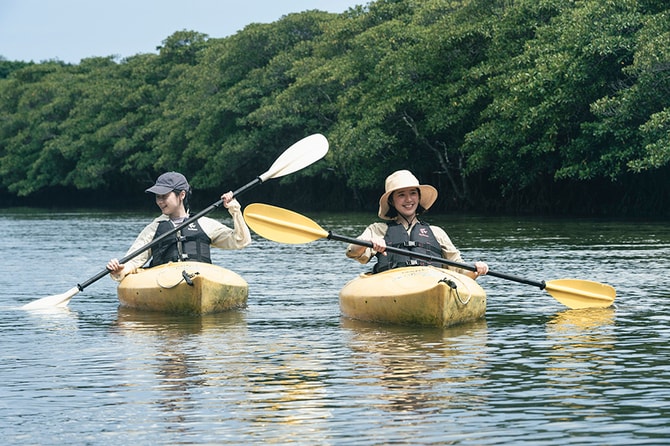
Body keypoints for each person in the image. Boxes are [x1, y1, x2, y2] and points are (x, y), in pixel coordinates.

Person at [107, 172, 251, 281]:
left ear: (181, 195)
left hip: (200, 277)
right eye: (157, 196)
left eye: (164, 196)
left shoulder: (205, 223)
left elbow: (241, 241)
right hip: (162, 281)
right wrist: (119, 269)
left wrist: (235, 210)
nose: (160, 201)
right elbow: (133, 262)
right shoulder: (154, 228)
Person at [346, 170, 488, 280]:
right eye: (401, 195)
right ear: (391, 201)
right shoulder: (378, 230)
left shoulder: (436, 232)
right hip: (391, 285)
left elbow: (458, 269)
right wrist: (368, 242)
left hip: (431, 284)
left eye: (413, 193)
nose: (408, 199)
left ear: (419, 197)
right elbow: (352, 252)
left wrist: (475, 269)